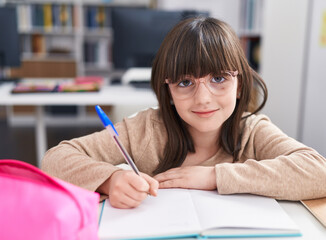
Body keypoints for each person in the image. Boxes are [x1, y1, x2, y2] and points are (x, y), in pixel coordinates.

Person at [42, 17, 326, 209]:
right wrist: (109, 179)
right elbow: (54, 160)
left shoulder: (251, 130)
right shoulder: (146, 129)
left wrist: (214, 176)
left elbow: (319, 174)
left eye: (218, 79)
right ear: (168, 90)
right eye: (185, 82)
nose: (203, 99)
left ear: (239, 85)